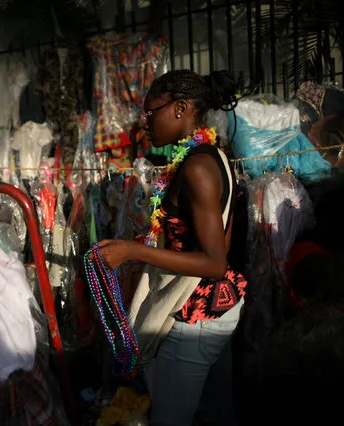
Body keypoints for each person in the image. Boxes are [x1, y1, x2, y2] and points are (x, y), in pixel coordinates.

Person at [96, 70, 246, 425]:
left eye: (150, 112)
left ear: (179, 108)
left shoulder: (198, 168)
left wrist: (133, 252)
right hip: (217, 306)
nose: (143, 122)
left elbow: (214, 262)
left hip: (196, 314)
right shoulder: (209, 156)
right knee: (216, 413)